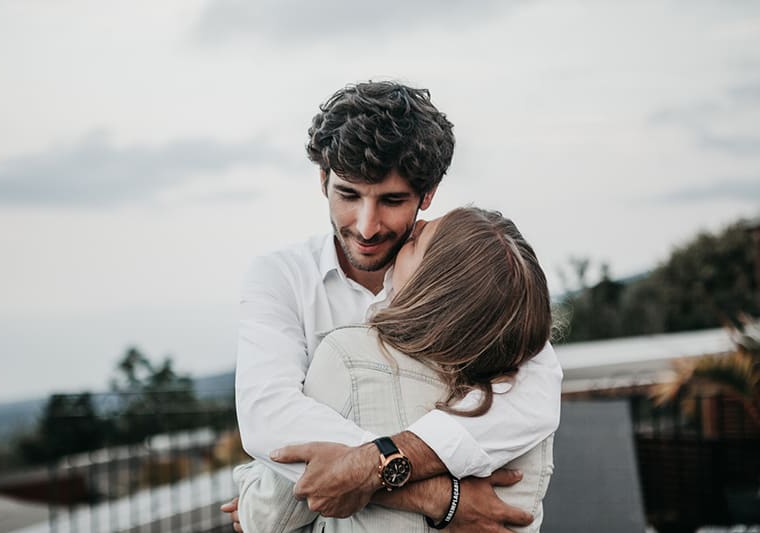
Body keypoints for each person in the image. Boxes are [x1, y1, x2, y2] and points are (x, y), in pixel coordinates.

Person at [224, 81, 563, 530]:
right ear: (323, 179)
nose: (366, 227)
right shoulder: (280, 275)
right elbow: (269, 419)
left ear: (428, 194)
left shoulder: (462, 265)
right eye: (348, 195)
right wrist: (439, 496)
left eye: (391, 200)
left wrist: (370, 468)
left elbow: (534, 395)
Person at [231, 206, 556, 532]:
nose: (415, 230)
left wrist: (250, 493)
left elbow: (271, 515)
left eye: (415, 245)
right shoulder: (516, 381)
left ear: (429, 291)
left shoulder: (349, 362)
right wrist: (440, 496)